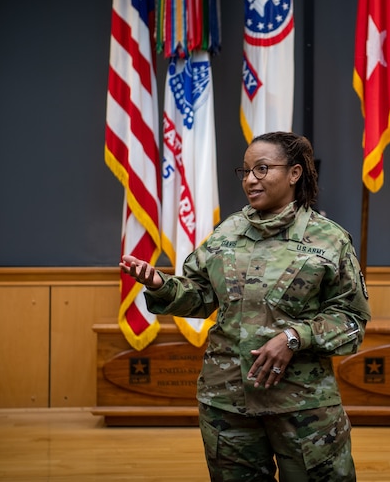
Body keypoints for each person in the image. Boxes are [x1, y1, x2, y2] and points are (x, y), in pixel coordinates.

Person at [120, 131, 371, 482]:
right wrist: (161, 284)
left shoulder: (329, 239)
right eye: (246, 171)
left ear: (294, 173)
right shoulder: (227, 233)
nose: (251, 179)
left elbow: (352, 319)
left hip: (302, 406)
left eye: (263, 169)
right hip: (227, 403)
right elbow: (200, 295)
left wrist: (294, 337)